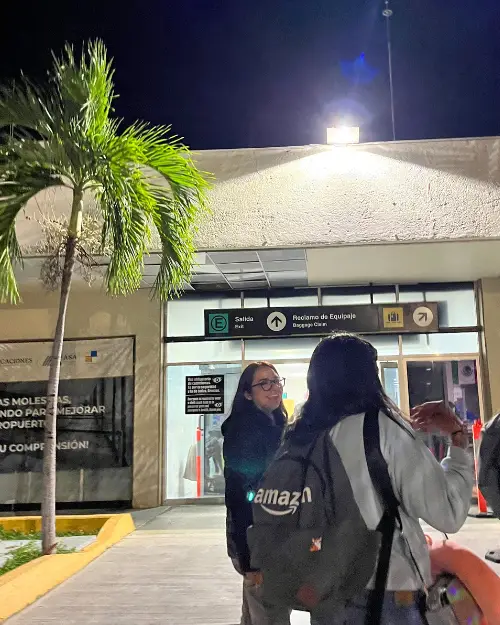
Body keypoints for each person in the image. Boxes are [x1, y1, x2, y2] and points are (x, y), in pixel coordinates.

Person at [285, 333, 473, 625]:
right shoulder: (383, 431)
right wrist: (458, 439)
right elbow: (448, 513)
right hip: (386, 593)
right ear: (368, 377)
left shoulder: (299, 436)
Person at [222, 362, 291, 625]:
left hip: (274, 532)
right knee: (269, 609)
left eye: (276, 381)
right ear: (247, 394)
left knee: (256, 612)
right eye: (264, 383)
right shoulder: (244, 431)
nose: (273, 388)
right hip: (258, 538)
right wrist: (250, 556)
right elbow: (240, 495)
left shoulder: (278, 426)